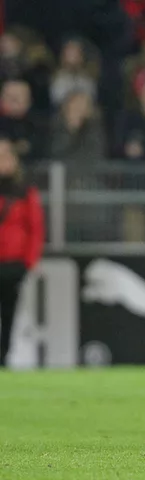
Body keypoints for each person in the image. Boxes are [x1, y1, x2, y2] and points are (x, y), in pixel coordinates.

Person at [0, 137, 45, 367]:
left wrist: (29, 261)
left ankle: (3, 356)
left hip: (13, 263)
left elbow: (36, 228)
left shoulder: (25, 191)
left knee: (8, 312)